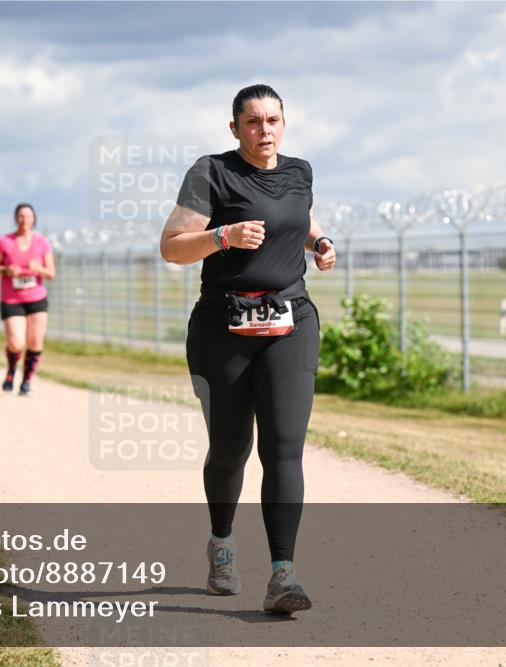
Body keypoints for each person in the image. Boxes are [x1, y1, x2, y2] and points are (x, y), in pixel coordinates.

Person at [159, 84, 336, 614]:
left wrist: (320, 243)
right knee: (231, 448)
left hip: (291, 319)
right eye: (254, 122)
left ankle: (284, 574)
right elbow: (171, 246)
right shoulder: (211, 172)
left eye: (274, 120)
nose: (265, 131)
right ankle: (222, 544)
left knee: (283, 447)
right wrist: (223, 237)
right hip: (223, 325)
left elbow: (299, 217)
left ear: (285, 123)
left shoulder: (300, 171)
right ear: (234, 127)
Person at [0, 203, 55, 396]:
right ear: (16, 218)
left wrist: (38, 268)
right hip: (11, 299)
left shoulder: (42, 242)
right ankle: (11, 370)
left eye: (28, 216)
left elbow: (51, 273)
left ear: (34, 219)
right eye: (21, 216)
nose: (25, 220)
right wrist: (6, 270)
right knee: (16, 342)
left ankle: (26, 381)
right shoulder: (5, 242)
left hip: (36, 297)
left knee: (35, 342)